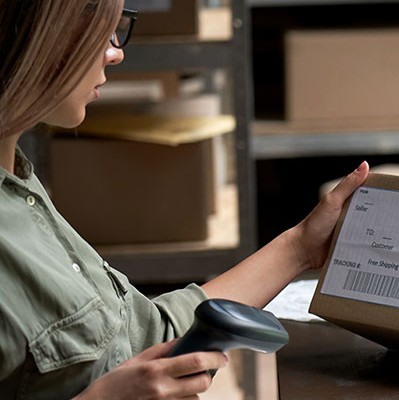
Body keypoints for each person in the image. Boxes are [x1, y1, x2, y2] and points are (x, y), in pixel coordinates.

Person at [0, 1, 369, 398]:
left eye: (117, 27)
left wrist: (301, 246)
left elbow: (146, 338)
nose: (116, 50)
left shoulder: (20, 190)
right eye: (98, 29)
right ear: (33, 34)